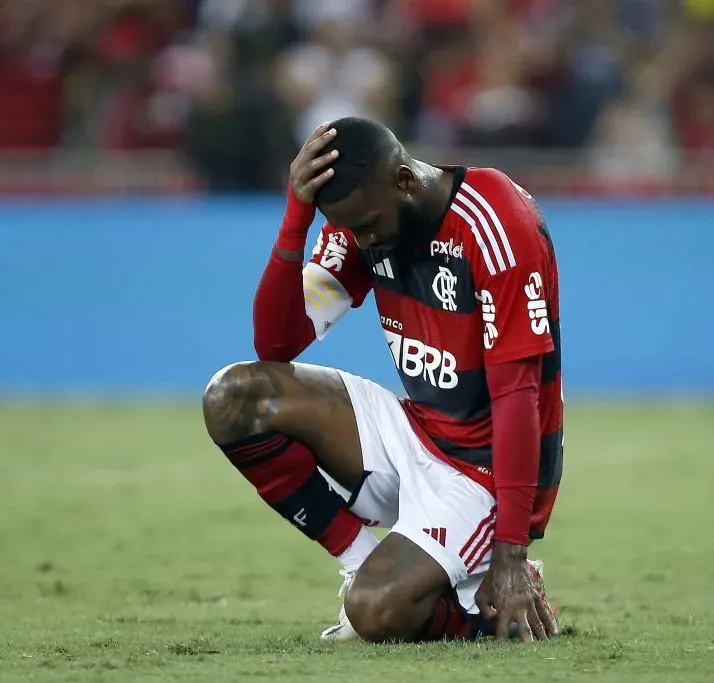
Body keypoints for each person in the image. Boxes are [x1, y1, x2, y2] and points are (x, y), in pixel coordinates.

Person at [202, 117, 563, 643]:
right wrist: (296, 221)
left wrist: (512, 550)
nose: (364, 239)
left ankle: (486, 609)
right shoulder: (360, 222)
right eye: (354, 229)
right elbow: (276, 345)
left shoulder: (495, 222)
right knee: (234, 398)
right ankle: (362, 561)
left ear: (404, 179)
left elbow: (517, 396)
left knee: (375, 613)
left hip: (485, 471)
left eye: (369, 225)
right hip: (416, 431)